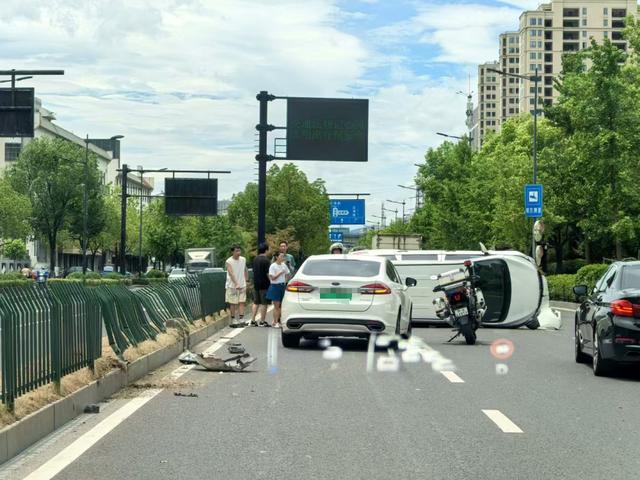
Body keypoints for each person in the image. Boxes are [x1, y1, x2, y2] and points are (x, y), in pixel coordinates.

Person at [225, 245, 249, 327]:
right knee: (233, 303)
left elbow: (245, 269)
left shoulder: (243, 259)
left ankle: (241, 319)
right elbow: (231, 273)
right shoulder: (229, 261)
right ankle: (233, 319)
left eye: (239, 251)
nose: (239, 252)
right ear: (232, 252)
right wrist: (236, 283)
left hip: (242, 284)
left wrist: (246, 280)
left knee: (242, 302)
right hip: (232, 286)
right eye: (236, 251)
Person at [266, 252, 290, 328]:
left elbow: (288, 274)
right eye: (281, 256)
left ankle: (277, 321)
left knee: (281, 306)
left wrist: (285, 282)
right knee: (276, 306)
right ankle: (276, 322)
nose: (283, 258)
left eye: (283, 256)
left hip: (282, 286)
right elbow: (272, 277)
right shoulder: (273, 266)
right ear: (277, 257)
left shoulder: (284, 265)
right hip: (275, 286)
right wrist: (280, 273)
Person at [251, 243, 271, 327]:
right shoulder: (266, 260)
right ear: (266, 250)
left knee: (256, 302)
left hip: (256, 284)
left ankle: (252, 320)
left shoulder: (255, 259)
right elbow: (268, 273)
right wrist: (272, 282)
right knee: (264, 303)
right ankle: (262, 321)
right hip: (264, 284)